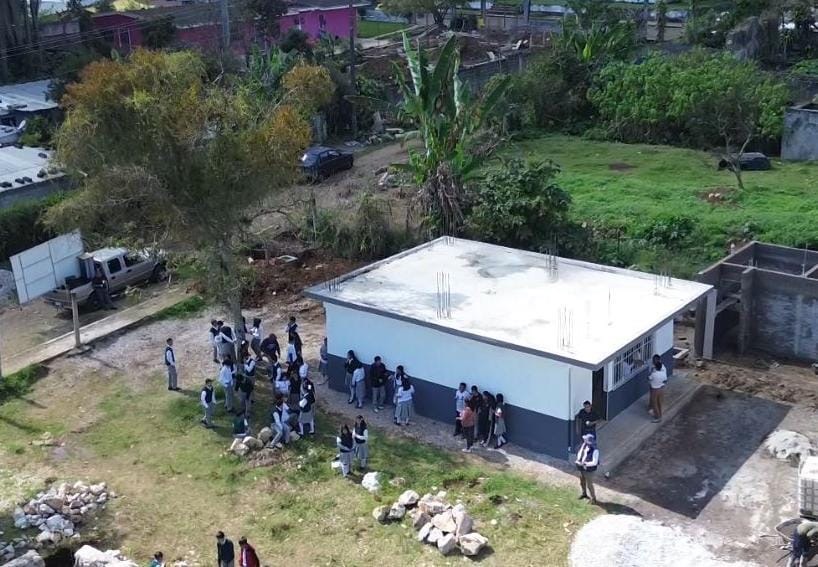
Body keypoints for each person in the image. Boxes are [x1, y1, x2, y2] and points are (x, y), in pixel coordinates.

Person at [575, 434, 599, 504]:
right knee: (582, 481)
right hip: (581, 467)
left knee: (589, 485)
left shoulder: (595, 450)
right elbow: (580, 453)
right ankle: (584, 494)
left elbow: (594, 462)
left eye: (585, 440)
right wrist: (578, 460)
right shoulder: (584, 445)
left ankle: (593, 499)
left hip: (589, 470)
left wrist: (585, 464)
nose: (584, 440)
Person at [648, 354, 668, 423]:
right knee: (658, 402)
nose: (654, 362)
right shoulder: (662, 373)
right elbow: (665, 380)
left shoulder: (655, 373)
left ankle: (658, 417)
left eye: (655, 360)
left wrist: (652, 374)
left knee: (655, 402)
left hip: (655, 388)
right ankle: (659, 414)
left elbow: (649, 378)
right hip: (660, 387)